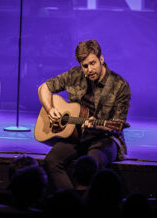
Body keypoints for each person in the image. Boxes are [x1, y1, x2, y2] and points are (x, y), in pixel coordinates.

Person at [38, 39, 131, 190]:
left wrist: (98, 125)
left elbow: (117, 124)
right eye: (85, 66)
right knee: (51, 161)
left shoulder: (119, 86)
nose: (89, 69)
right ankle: (71, 202)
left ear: (101, 59)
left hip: (105, 138)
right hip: (77, 135)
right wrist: (50, 110)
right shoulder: (75, 75)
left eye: (93, 63)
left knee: (90, 165)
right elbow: (44, 88)